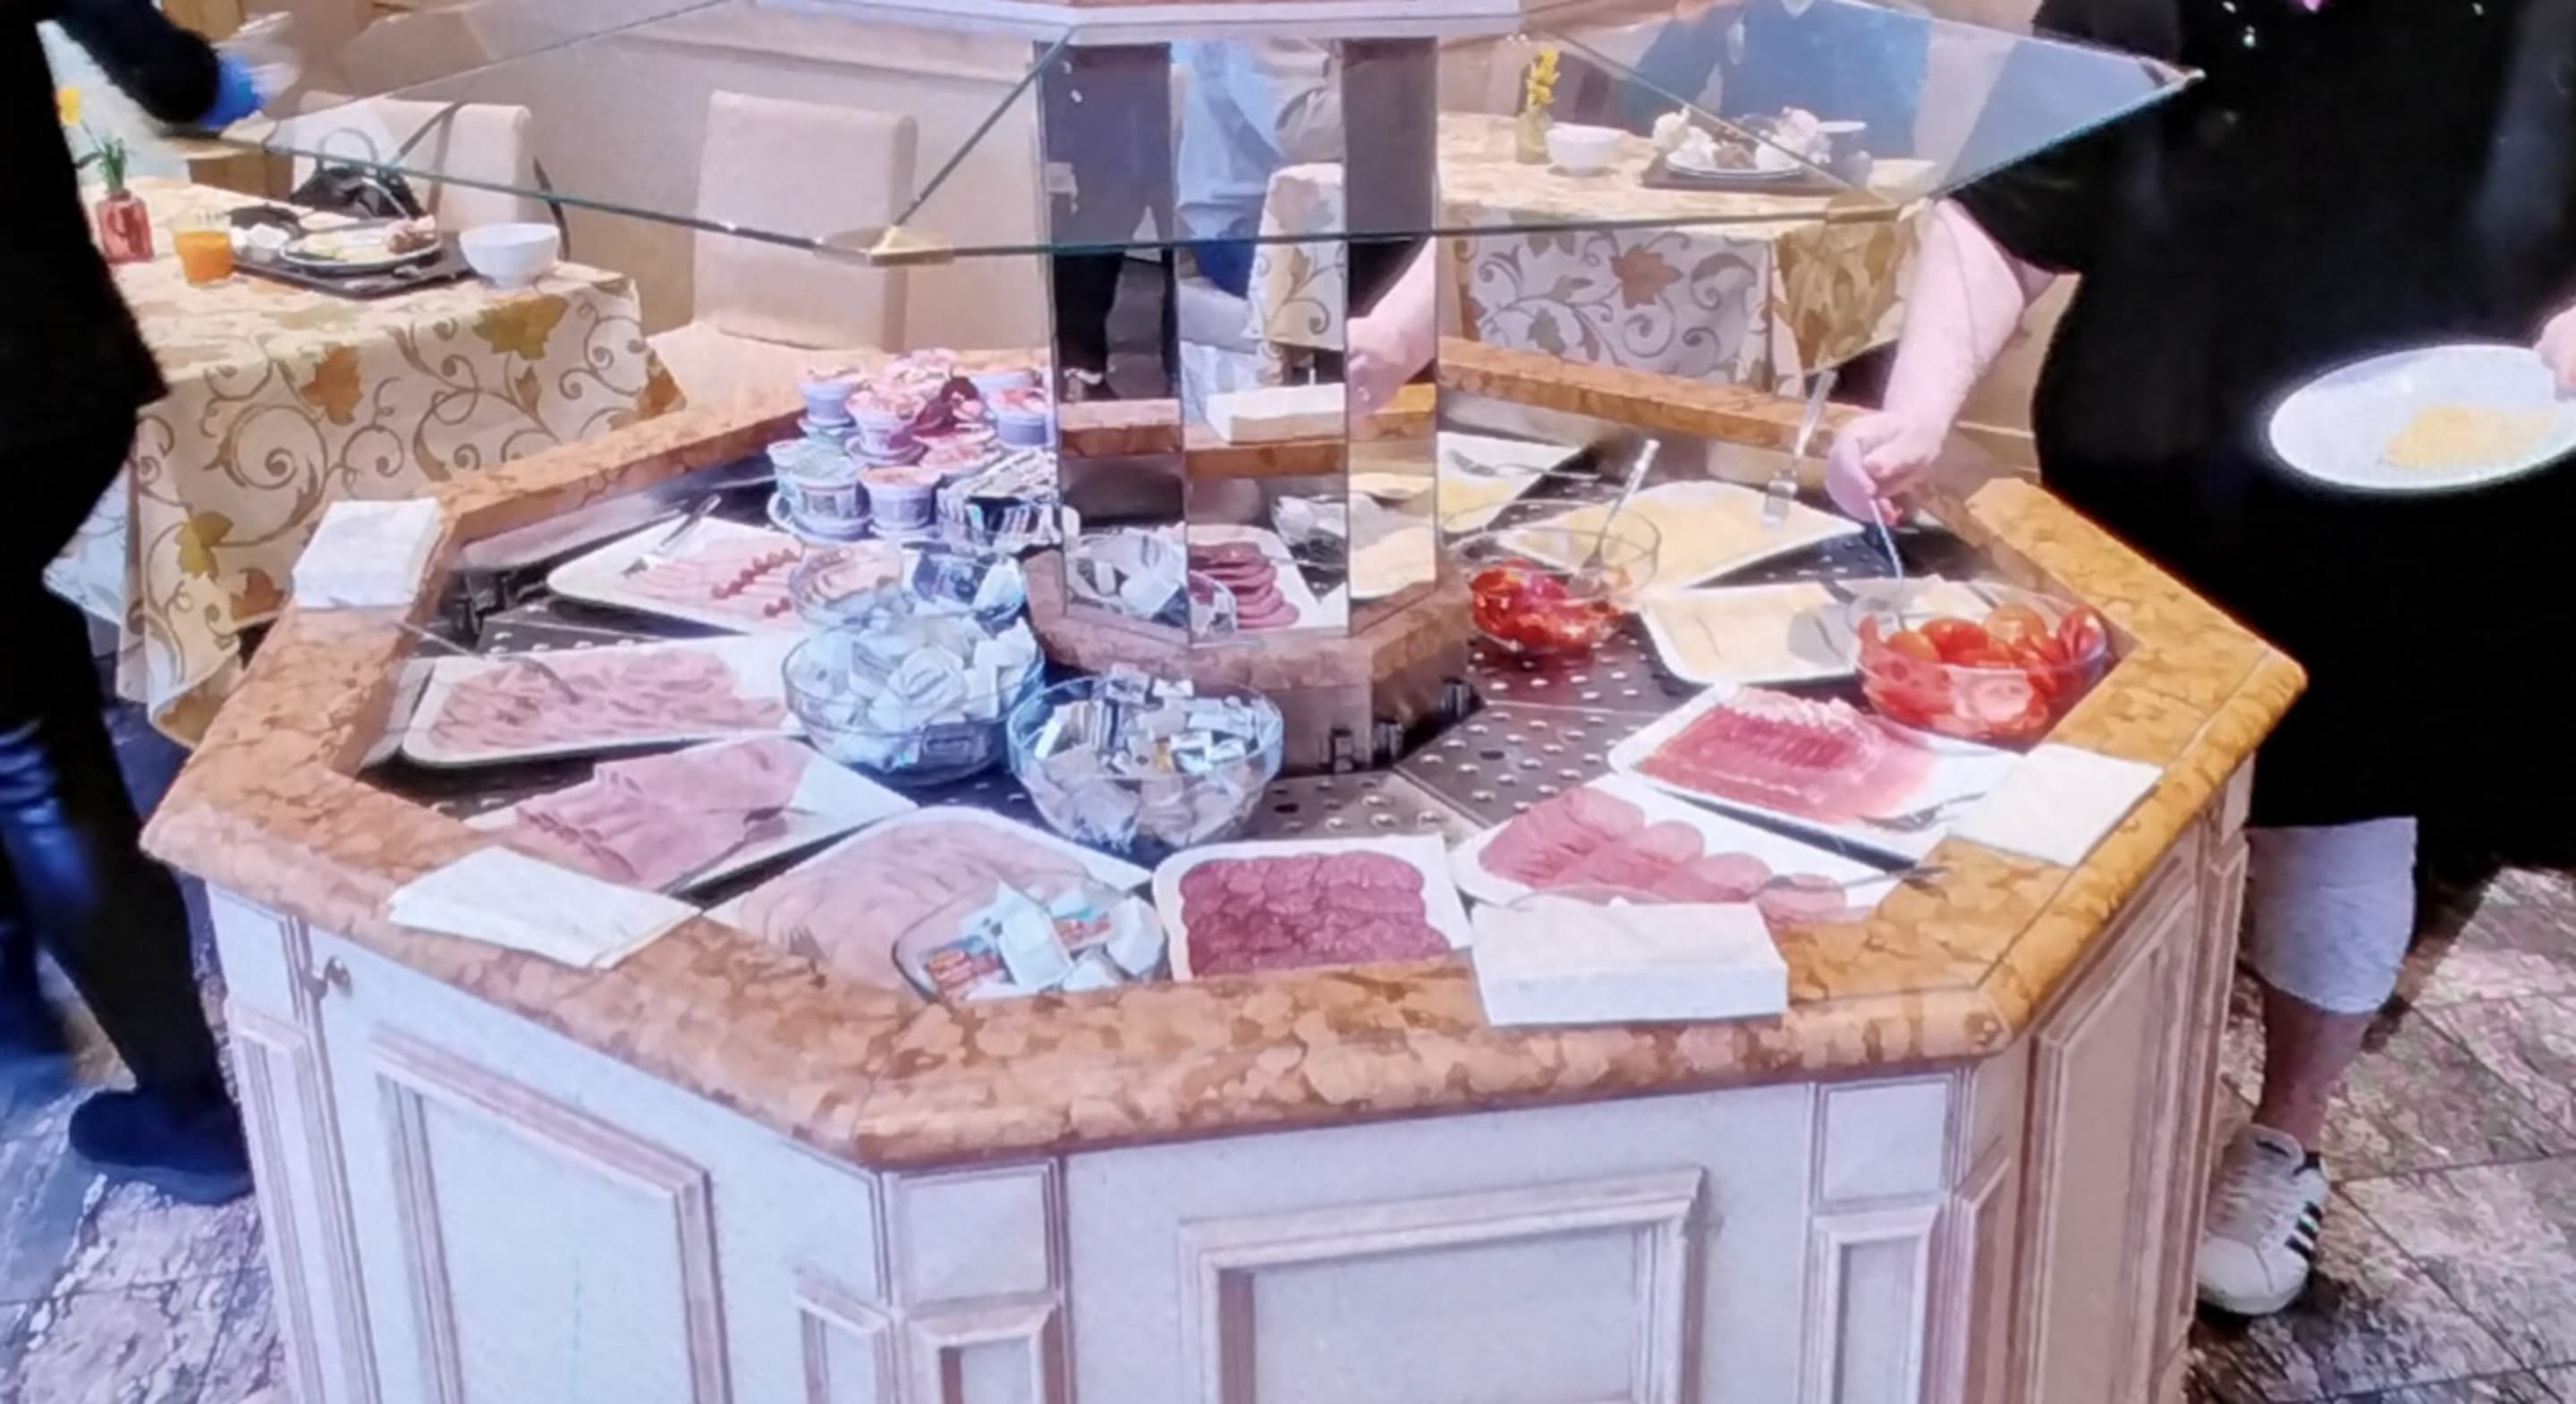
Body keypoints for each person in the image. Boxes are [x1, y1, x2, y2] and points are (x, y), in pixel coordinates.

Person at [1826, 0, 2576, 1317]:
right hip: (2135, 501)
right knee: (2095, 838)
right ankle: (2069, 1127)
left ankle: (2285, 1143)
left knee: (2336, 822)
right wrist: (1918, 409)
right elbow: (2006, 218)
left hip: (2419, 503)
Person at [6, 0, 277, 1204]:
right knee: (30, 733)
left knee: (29, 751)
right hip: (53, 379)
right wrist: (225, 82)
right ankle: (38, 1013)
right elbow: (176, 82)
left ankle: (181, 1103)